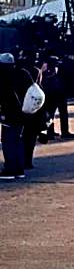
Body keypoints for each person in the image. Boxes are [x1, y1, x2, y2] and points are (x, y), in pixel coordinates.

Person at [0, 52, 35, 180]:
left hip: (8, 113)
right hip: (24, 112)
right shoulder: (23, 73)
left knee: (8, 141)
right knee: (18, 140)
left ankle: (10, 169)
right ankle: (19, 169)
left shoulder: (3, 76)